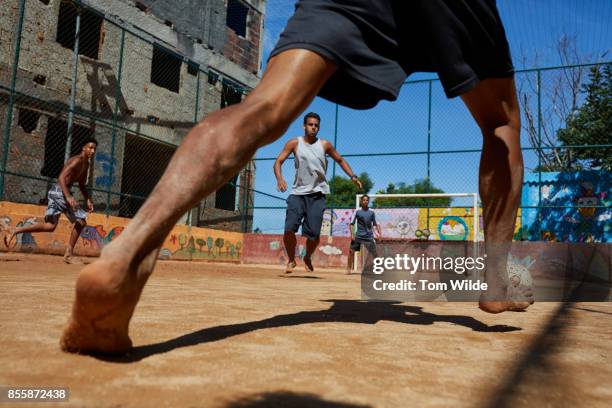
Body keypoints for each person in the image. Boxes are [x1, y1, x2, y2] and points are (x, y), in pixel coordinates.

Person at [60, 0, 531, 355]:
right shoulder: (302, 147)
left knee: (263, 108)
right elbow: (285, 160)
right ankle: (493, 278)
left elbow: (333, 158)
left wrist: (344, 175)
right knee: (500, 123)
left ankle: (131, 247)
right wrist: (284, 175)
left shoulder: (323, 145)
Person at [274, 112, 362, 273]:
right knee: (288, 229)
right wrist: (280, 179)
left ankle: (307, 257)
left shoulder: (325, 145)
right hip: (298, 194)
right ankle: (292, 260)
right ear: (304, 126)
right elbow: (278, 161)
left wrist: (353, 176)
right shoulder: (294, 143)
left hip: (317, 195)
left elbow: (340, 160)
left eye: (316, 125)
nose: (313, 127)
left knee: (313, 235)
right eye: (310, 124)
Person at [4, 138, 97, 263]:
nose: (92, 151)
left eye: (94, 149)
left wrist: (88, 199)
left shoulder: (86, 164)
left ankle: (14, 230)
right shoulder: (77, 160)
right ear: (84, 148)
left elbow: (81, 184)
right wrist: (68, 197)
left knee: (50, 226)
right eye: (90, 147)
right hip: (60, 192)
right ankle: (68, 255)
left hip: (56, 192)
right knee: (81, 221)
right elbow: (61, 177)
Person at [346, 195, 382, 274]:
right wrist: (352, 234)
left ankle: (378, 269)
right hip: (358, 235)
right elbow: (351, 224)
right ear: (361, 201)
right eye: (364, 200)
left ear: (368, 202)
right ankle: (348, 269)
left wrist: (379, 234)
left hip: (369, 236)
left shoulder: (372, 212)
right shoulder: (357, 211)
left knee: (375, 253)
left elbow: (375, 224)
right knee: (351, 251)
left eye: (367, 200)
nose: (365, 201)